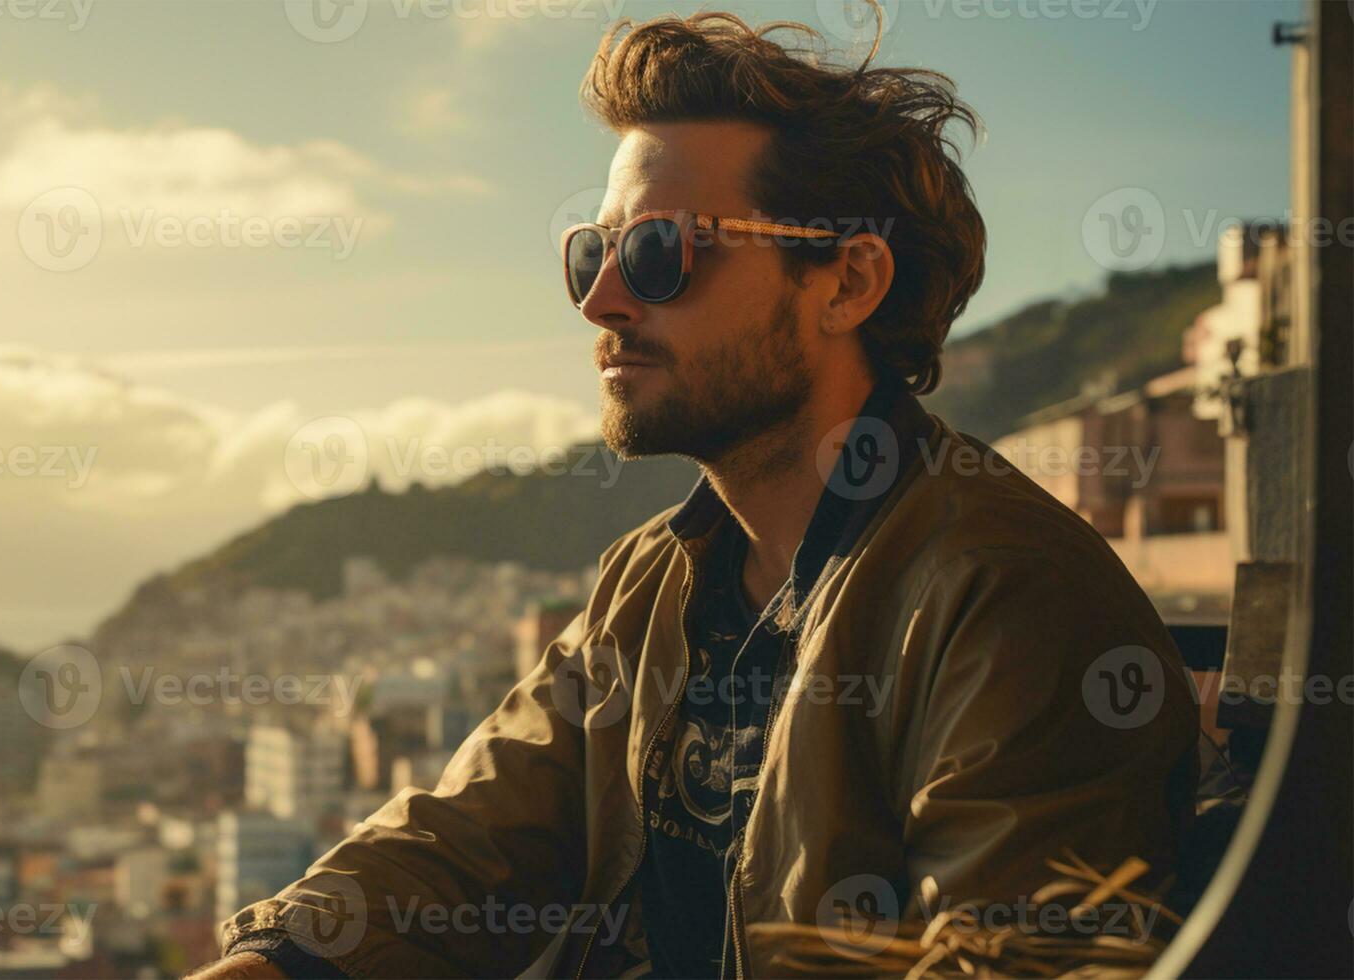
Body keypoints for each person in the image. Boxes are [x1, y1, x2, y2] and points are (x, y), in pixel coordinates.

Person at [191, 7, 1197, 977]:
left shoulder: (1004, 599)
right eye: (592, 252)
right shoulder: (651, 581)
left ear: (845, 282)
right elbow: (469, 843)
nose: (600, 299)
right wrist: (272, 963)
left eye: (660, 253)